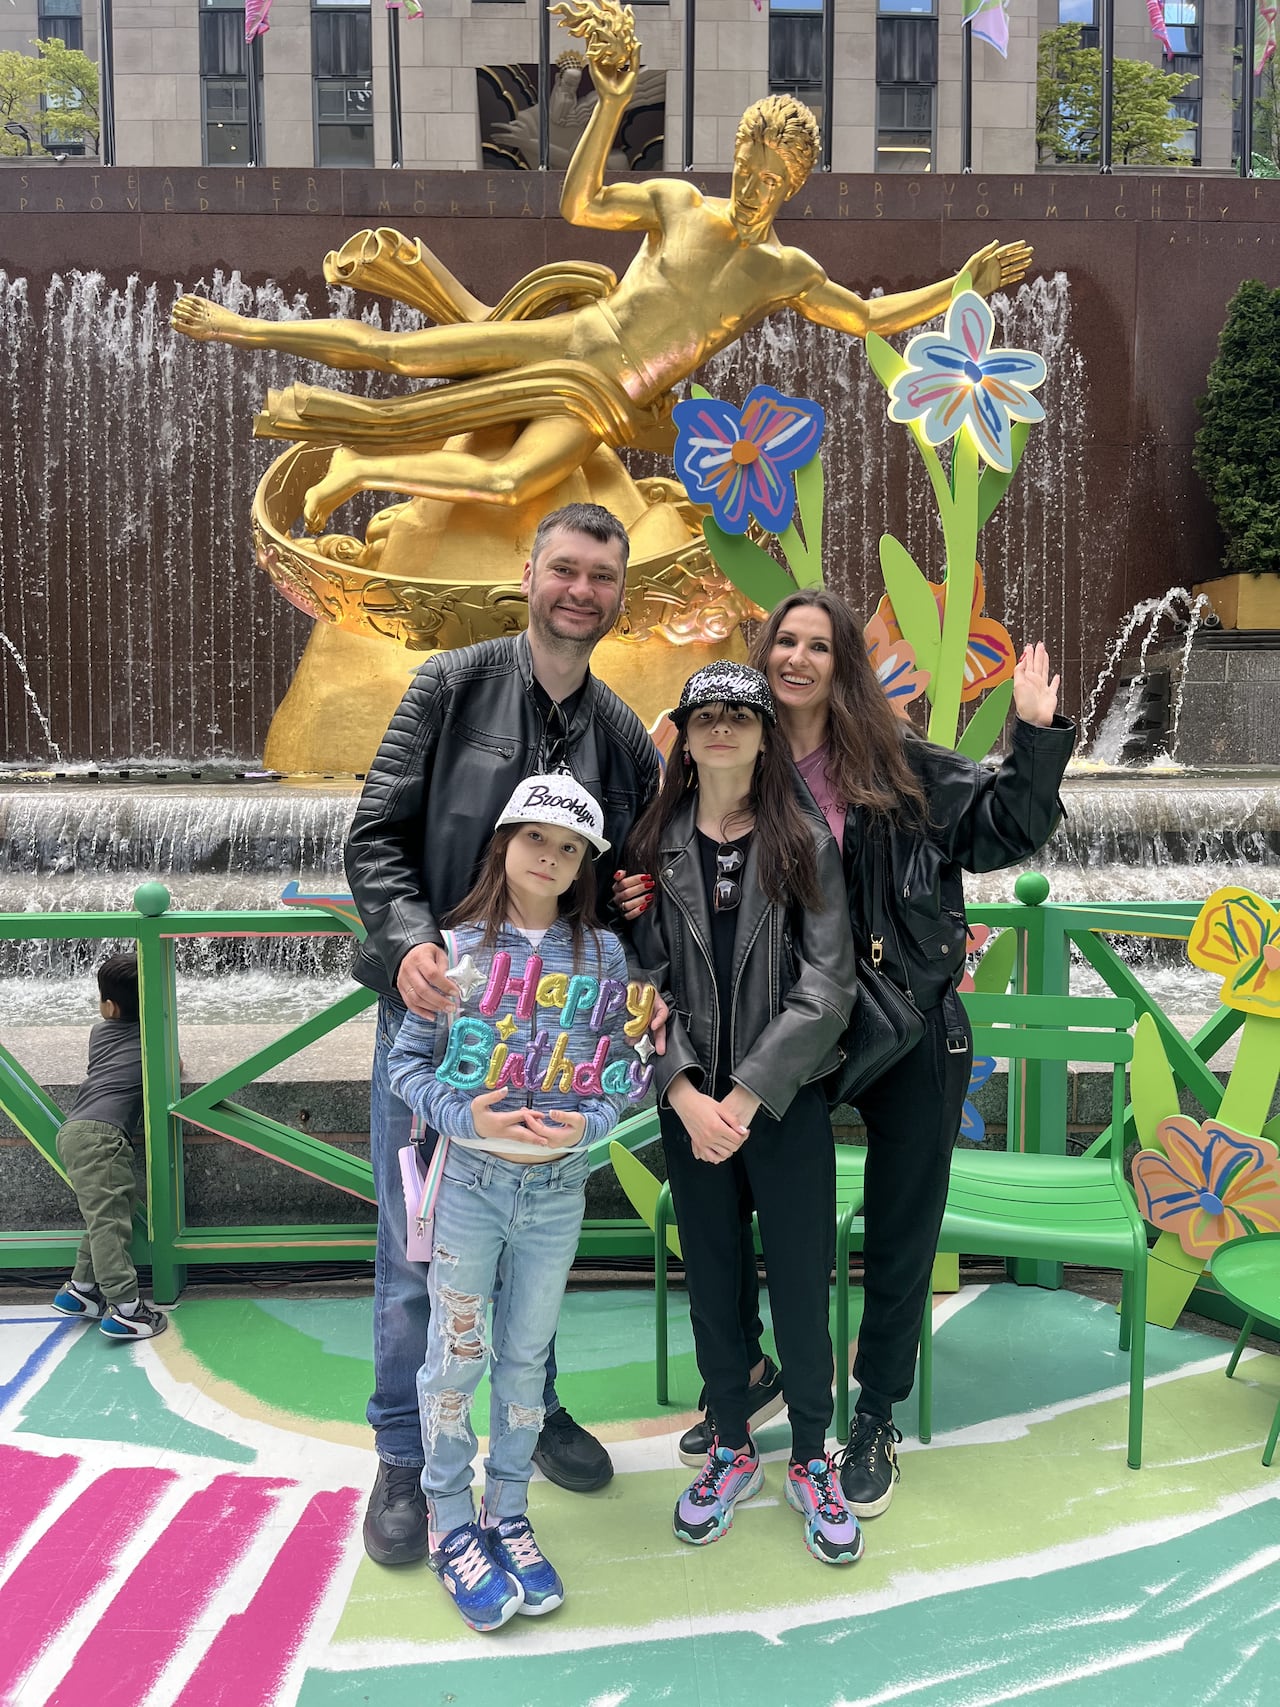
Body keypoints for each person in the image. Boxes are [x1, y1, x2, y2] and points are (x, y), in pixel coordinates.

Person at [169, 0, 1031, 533]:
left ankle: (360, 467)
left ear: (795, 186)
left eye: (774, 182)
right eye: (748, 170)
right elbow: (580, 204)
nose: (755, 189)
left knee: (509, 480)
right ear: (735, 158)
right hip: (571, 338)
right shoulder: (678, 204)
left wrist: (961, 286)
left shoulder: (784, 271)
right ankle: (243, 327)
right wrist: (612, 100)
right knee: (399, 353)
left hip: (608, 399)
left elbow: (870, 319)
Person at [619, 592, 1074, 1520]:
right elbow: (684, 870)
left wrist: (1034, 736)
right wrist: (638, 890)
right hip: (793, 1033)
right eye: (784, 641)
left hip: (902, 1021)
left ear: (843, 664)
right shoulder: (736, 754)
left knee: (902, 1224)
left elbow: (1004, 826)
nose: (797, 657)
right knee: (732, 1199)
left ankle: (874, 1414)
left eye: (818, 645)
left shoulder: (893, 760)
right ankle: (748, 1378)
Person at [343, 501, 662, 1568]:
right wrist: (408, 947)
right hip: (438, 1021)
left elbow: (634, 881)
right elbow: (377, 834)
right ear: (528, 575)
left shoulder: (622, 735)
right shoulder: (449, 685)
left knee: (533, 1236)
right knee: (417, 1246)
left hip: (551, 1042)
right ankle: (404, 1453)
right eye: (564, 569)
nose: (580, 591)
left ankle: (536, 1405)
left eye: (601, 577)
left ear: (619, 595)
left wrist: (638, 931)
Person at [388, 773, 644, 1632]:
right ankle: (448, 1517)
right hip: (471, 1184)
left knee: (528, 1356)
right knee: (455, 1352)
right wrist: (468, 1116)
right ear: (504, 843)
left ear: (583, 866)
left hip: (558, 1189)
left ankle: (508, 1511)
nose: (550, 856)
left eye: (569, 848)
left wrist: (591, 1125)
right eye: (536, 837)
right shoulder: (453, 950)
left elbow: (628, 1069)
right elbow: (405, 1066)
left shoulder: (604, 956)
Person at [628, 661, 864, 1567]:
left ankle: (810, 1453)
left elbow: (828, 984)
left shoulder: (803, 841)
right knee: (714, 1280)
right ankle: (731, 1444)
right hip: (691, 1109)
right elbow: (637, 979)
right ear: (684, 738)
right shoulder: (652, 846)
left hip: (783, 1102)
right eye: (705, 716)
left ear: (767, 737)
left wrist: (748, 1093)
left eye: (740, 715)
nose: (721, 727)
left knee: (802, 1280)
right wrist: (684, 1091)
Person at [50, 953, 167, 1341]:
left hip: (77, 1130)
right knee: (110, 1224)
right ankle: (127, 1308)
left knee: (107, 1214)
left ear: (110, 1007)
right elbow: (175, 1066)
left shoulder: (99, 1033)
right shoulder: (152, 1039)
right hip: (104, 1137)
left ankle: (80, 1291)